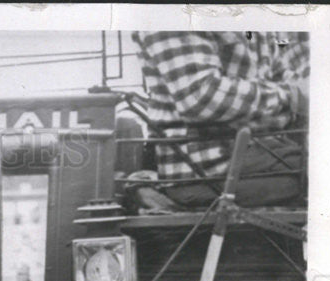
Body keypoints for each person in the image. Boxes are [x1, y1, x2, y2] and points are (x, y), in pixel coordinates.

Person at [131, 31, 309, 208]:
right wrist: (290, 96)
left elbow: (281, 77)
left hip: (264, 155)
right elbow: (200, 96)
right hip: (208, 172)